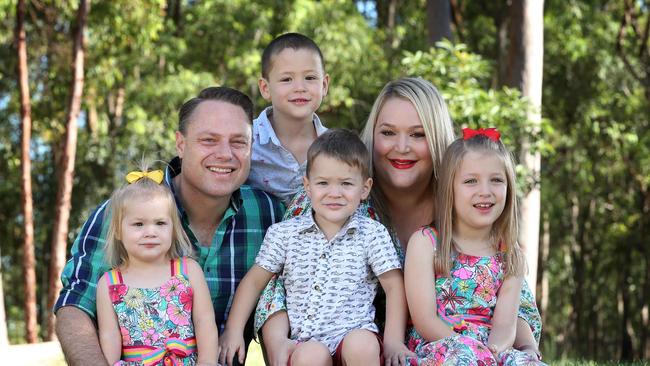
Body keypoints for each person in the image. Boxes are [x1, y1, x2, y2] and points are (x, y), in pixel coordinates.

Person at [258, 78, 543, 364]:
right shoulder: (335, 194)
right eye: (388, 132)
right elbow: (275, 279)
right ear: (373, 135)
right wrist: (278, 342)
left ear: (437, 139)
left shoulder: (466, 203)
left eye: (418, 135)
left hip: (451, 350)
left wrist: (515, 347)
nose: (402, 147)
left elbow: (512, 297)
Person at [54, 86, 285, 366]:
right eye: (209, 140)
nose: (225, 154)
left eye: (238, 142)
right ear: (181, 144)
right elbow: (74, 307)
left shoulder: (270, 214)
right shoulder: (122, 212)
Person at [219, 129, 408, 366]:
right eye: (323, 183)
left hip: (354, 334)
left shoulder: (372, 233)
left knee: (363, 344)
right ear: (307, 186)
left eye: (346, 183)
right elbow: (254, 281)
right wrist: (234, 329)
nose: (334, 193)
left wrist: (393, 341)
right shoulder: (285, 234)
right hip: (306, 344)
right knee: (311, 357)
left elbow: (393, 286)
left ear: (365, 188)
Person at [403, 128, 545, 365]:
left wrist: (492, 354)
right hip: (441, 346)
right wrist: (471, 350)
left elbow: (504, 328)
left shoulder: (510, 255)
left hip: (491, 348)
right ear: (450, 188)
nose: (485, 192)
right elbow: (425, 320)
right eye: (471, 181)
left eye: (496, 180)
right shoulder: (426, 243)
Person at [96, 165, 217, 365]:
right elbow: (109, 337)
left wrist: (207, 361)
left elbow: (205, 322)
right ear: (118, 231)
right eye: (138, 224)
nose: (150, 232)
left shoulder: (188, 271)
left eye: (160, 223)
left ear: (173, 229)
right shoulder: (109, 283)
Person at [246, 32, 330, 205]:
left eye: (310, 78)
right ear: (265, 88)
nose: (300, 87)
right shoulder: (245, 139)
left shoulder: (335, 147)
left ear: (324, 85)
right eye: (286, 79)